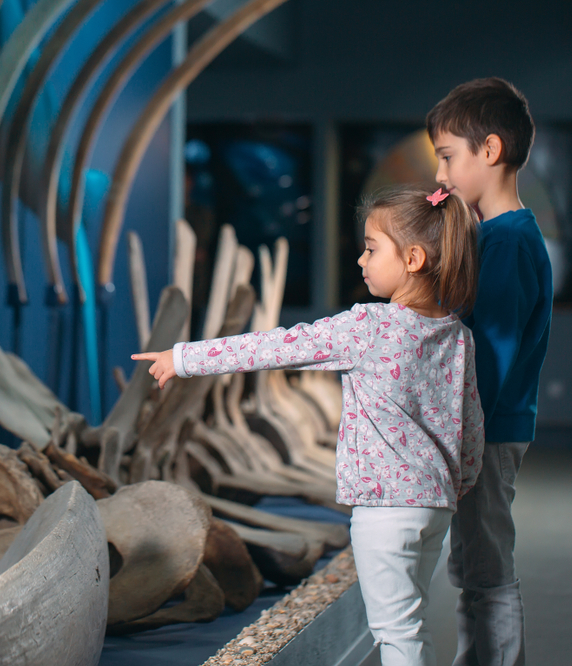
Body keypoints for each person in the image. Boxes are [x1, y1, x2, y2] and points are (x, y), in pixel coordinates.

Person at [134, 186, 485, 666]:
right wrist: (461, 480)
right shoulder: (458, 335)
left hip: (384, 511)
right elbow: (470, 422)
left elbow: (277, 347)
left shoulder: (368, 327)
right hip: (434, 507)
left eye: (371, 247)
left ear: (414, 258)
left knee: (395, 632)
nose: (361, 259)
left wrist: (183, 357)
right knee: (411, 623)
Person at [427, 77, 553, 666]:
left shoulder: (505, 243)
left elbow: (493, 353)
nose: (441, 176)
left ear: (491, 151)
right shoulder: (499, 236)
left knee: (487, 569)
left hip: (489, 428)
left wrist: (460, 433)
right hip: (492, 426)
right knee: (474, 565)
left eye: (448, 157)